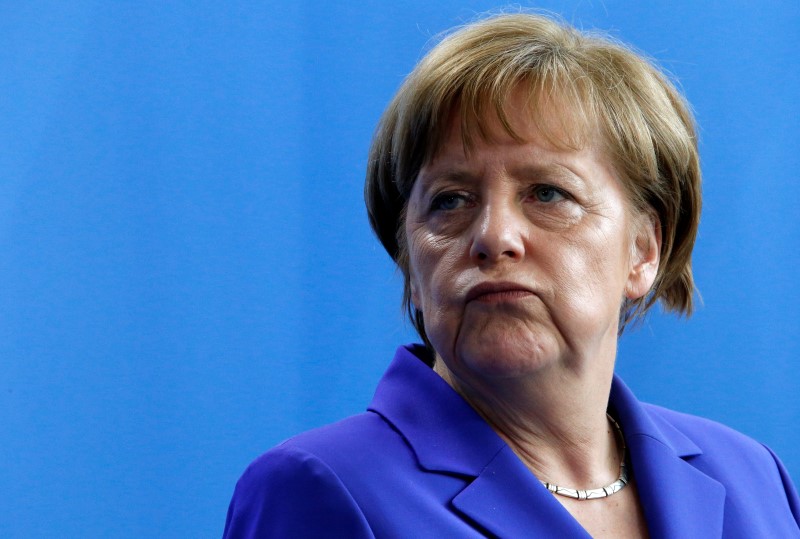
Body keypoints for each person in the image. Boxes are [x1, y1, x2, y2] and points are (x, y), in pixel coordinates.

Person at [223, 13, 800, 538]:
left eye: (547, 193)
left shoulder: (754, 478)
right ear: (409, 257)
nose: (494, 236)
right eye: (450, 201)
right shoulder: (320, 490)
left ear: (643, 250)